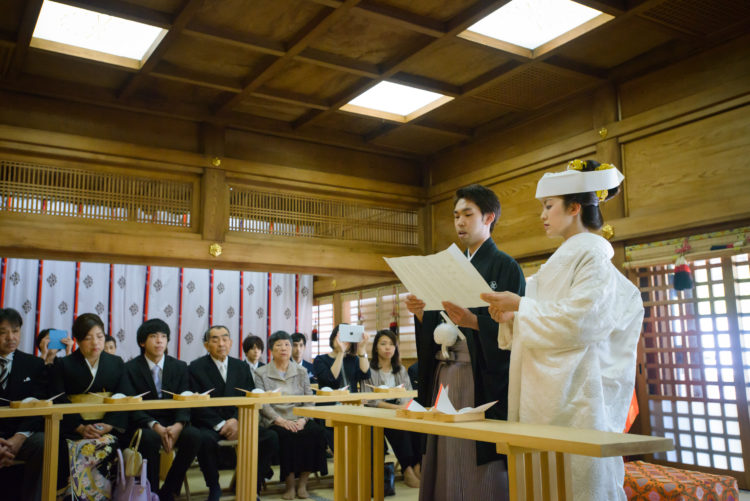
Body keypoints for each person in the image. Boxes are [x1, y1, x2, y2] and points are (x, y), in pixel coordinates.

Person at [481, 160, 644, 501]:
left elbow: (583, 320)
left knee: (578, 481)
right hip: (545, 391)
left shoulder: (593, 258)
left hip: (577, 394)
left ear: (574, 207)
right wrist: (510, 316)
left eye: (548, 206)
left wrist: (521, 307)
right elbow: (537, 313)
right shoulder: (557, 262)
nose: (542, 215)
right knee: (542, 480)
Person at [405, 183, 525, 501]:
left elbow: (517, 329)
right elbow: (439, 322)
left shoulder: (505, 266)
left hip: (478, 375)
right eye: (456, 215)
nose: (459, 222)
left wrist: (474, 323)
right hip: (443, 372)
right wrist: (421, 314)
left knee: (472, 452)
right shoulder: (451, 265)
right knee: (443, 448)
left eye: (467, 214)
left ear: (489, 217)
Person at [189, 325, 278, 501]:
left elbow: (249, 397)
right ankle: (214, 486)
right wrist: (222, 424)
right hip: (211, 424)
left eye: (225, 338)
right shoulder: (195, 367)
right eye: (215, 339)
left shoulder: (241, 367)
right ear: (207, 345)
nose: (221, 343)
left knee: (270, 437)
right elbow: (195, 404)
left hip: (239, 422)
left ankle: (253, 484)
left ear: (230, 342)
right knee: (203, 439)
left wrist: (237, 421)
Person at [49, 312, 131, 500]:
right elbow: (58, 398)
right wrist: (79, 427)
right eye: (88, 338)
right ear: (77, 340)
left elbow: (123, 395)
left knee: (106, 444)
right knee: (70, 448)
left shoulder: (116, 363)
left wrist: (108, 425)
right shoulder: (64, 364)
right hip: (74, 428)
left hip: (106, 426)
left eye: (100, 337)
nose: (95, 343)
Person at [124, 318, 201, 501]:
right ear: (142, 342)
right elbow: (130, 404)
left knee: (194, 435)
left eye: (164, 337)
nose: (160, 341)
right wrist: (155, 426)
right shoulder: (130, 368)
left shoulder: (180, 367)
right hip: (145, 423)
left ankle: (169, 490)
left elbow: (185, 399)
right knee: (149, 438)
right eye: (153, 336)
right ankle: (151, 492)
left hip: (173, 421)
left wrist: (178, 425)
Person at [254, 331, 327, 500]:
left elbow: (309, 399)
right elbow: (263, 403)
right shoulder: (261, 373)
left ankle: (303, 483)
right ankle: (290, 485)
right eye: (279, 345)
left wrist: (303, 419)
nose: (284, 348)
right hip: (276, 419)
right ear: (271, 349)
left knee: (315, 432)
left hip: (299, 417)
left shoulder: (301, 371)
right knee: (287, 437)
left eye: (287, 344)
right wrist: (280, 421)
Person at [364, 329, 421, 488]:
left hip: (400, 407)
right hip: (378, 411)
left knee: (420, 427)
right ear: (376, 347)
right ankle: (407, 469)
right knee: (399, 429)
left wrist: (403, 407)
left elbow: (408, 393)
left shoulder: (401, 369)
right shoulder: (369, 369)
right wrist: (395, 408)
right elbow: (370, 400)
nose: (388, 348)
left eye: (391, 344)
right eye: (383, 344)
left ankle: (418, 466)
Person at [0, 308, 46, 501]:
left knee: (44, 442)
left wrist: (18, 438)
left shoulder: (34, 364)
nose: (11, 337)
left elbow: (40, 406)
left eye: (16, 331)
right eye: (3, 332)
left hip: (20, 434)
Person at [312, 325, 370, 392]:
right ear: (333, 338)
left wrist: (362, 349)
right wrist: (341, 352)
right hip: (329, 401)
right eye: (340, 337)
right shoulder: (320, 360)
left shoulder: (354, 359)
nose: (343, 341)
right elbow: (329, 380)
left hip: (352, 401)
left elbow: (366, 375)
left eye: (347, 338)